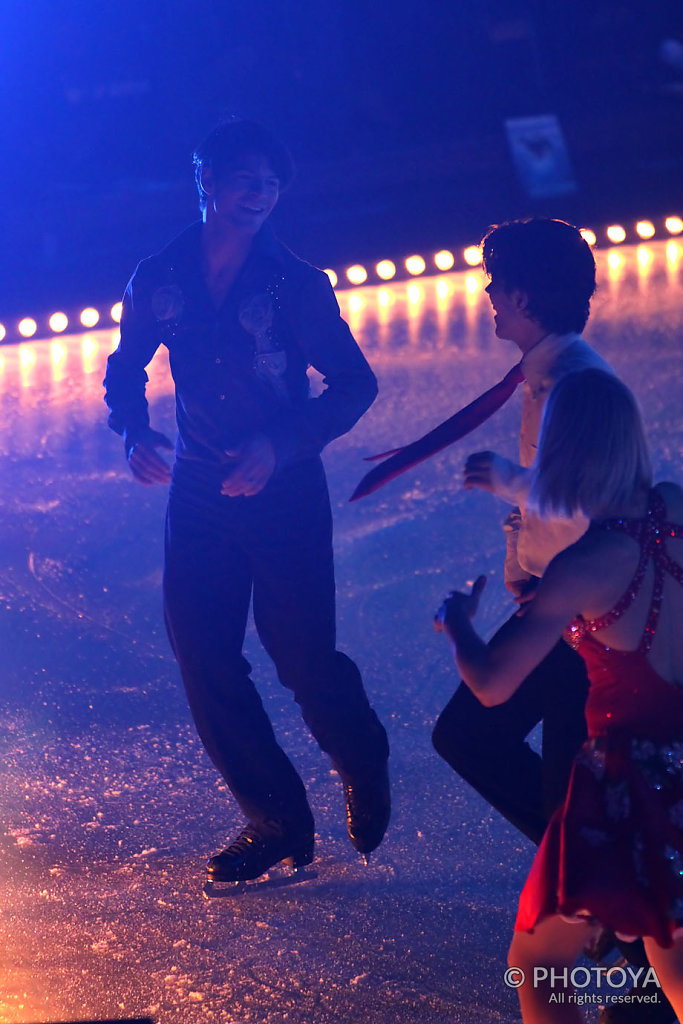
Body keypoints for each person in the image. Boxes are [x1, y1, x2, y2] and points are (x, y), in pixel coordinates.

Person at [103, 118, 390, 883]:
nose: (259, 193)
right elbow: (124, 367)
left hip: (285, 497)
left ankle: (359, 754)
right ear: (208, 181)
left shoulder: (294, 285)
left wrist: (282, 445)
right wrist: (133, 433)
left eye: (271, 182)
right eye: (244, 178)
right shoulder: (158, 276)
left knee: (301, 659)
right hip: (197, 498)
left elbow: (354, 383)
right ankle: (274, 819)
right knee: (203, 657)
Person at [435, 369, 683, 1023]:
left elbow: (490, 685)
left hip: (627, 785)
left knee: (539, 970)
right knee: (672, 958)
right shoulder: (676, 506)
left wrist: (457, 621)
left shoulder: (582, 566)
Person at [433, 218, 612, 844]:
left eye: (494, 283)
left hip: (587, 618)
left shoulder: (575, 385)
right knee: (472, 738)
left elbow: (589, 497)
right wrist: (522, 559)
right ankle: (589, 895)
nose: (487, 295)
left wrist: (508, 480)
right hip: (562, 603)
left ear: (524, 298)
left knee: (565, 787)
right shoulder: (549, 377)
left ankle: (604, 905)